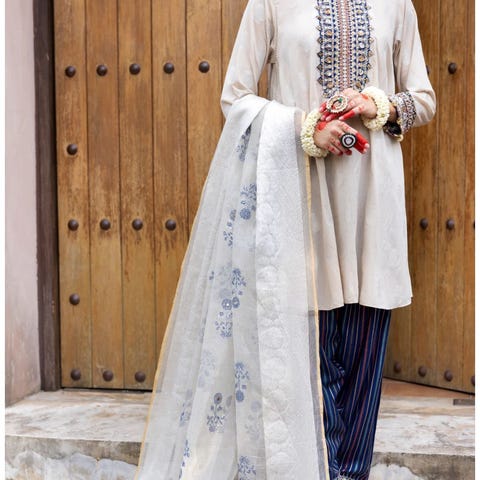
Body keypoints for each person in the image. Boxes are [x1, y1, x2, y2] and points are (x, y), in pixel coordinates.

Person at [135, 1, 435, 479]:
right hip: (301, 200)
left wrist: (376, 104)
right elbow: (235, 98)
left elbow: (423, 99)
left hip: (373, 206)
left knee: (363, 363)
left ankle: (350, 474)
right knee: (311, 360)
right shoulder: (270, 4)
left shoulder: (396, 5)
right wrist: (305, 126)